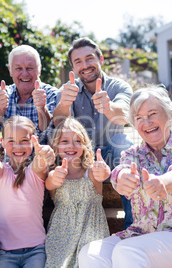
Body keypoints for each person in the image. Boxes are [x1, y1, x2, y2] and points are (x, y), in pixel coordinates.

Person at [78, 85, 172, 268]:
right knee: (90, 253)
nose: (147, 122)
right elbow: (121, 172)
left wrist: (163, 182)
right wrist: (122, 179)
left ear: (168, 115)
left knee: (127, 251)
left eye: (152, 114)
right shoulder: (132, 154)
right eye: (139, 118)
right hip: (141, 235)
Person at [53, 37, 133, 228]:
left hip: (111, 162)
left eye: (89, 59)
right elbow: (57, 124)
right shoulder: (66, 91)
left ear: (101, 59)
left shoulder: (119, 87)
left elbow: (125, 114)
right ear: (73, 67)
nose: (85, 65)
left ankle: (133, 227)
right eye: (78, 62)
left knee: (122, 141)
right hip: (78, 163)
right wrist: (64, 103)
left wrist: (109, 107)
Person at [0, 115, 55, 268]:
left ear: (33, 141)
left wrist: (45, 152)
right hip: (5, 254)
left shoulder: (34, 172)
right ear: (3, 143)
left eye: (24, 141)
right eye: (11, 141)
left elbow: (41, 160)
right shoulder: (0, 172)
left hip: (37, 250)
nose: (18, 147)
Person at [44, 117, 110, 268]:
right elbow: (50, 183)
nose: (71, 146)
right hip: (62, 234)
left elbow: (102, 173)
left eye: (77, 141)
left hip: (91, 230)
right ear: (56, 146)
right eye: (64, 141)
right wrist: (55, 177)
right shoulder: (55, 174)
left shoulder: (91, 172)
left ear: (85, 145)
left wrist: (104, 171)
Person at [0, 44, 57, 143]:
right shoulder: (1, 92)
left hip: (43, 157)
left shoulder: (52, 94)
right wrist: (0, 109)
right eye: (18, 68)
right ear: (10, 70)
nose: (25, 74)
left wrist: (42, 108)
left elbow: (51, 131)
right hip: (11, 157)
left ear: (39, 69)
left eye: (30, 68)